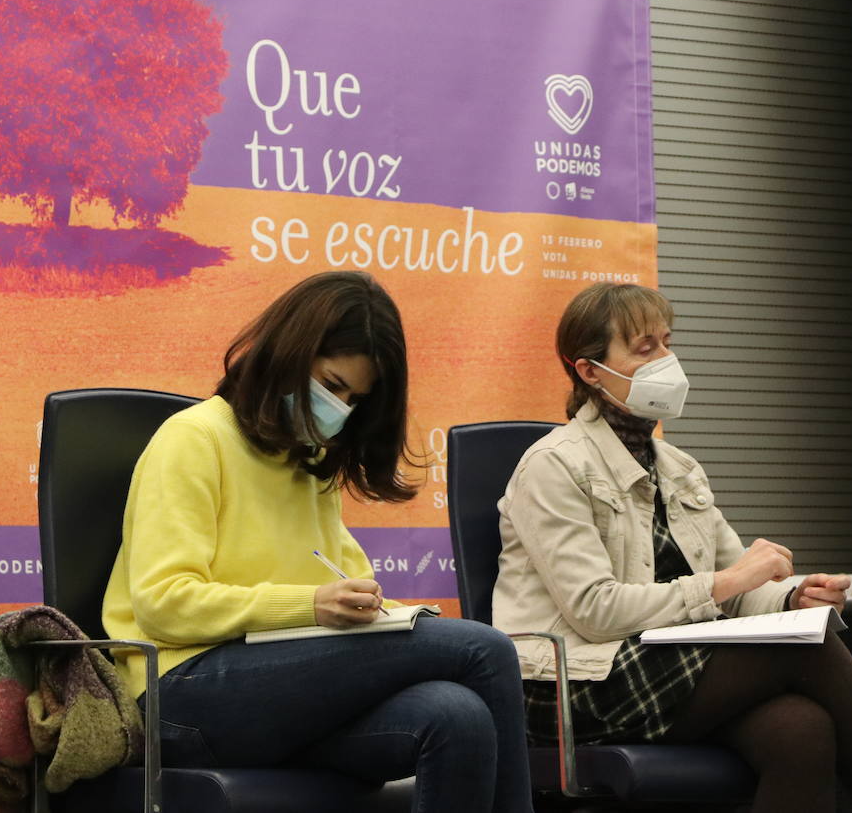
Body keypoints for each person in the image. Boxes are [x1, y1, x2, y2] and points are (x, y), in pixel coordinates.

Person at [491, 282, 852, 812]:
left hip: (662, 665)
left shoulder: (679, 469)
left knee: (802, 730)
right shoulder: (553, 465)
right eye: (644, 348)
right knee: (810, 650)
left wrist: (792, 599)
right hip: (571, 683)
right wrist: (729, 584)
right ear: (589, 371)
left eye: (666, 341)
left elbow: (742, 588)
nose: (667, 359)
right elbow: (595, 611)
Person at [102, 270, 533, 812]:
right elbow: (163, 605)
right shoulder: (194, 438)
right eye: (331, 385)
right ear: (289, 351)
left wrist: (376, 609)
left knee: (457, 716)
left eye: (354, 397)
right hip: (180, 694)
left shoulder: (308, 463)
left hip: (283, 693)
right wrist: (309, 605)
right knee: (485, 648)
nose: (339, 409)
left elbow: (341, 587)